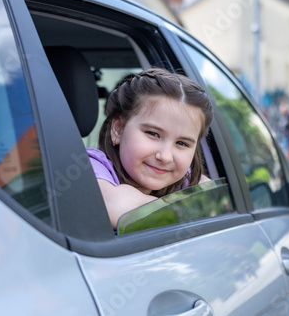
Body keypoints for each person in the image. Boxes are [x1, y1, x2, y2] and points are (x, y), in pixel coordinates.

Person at [87, 68, 213, 228]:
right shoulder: (90, 166)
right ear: (118, 129)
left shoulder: (184, 179)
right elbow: (115, 208)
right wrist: (189, 206)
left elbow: (209, 193)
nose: (165, 157)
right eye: (153, 134)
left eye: (182, 143)